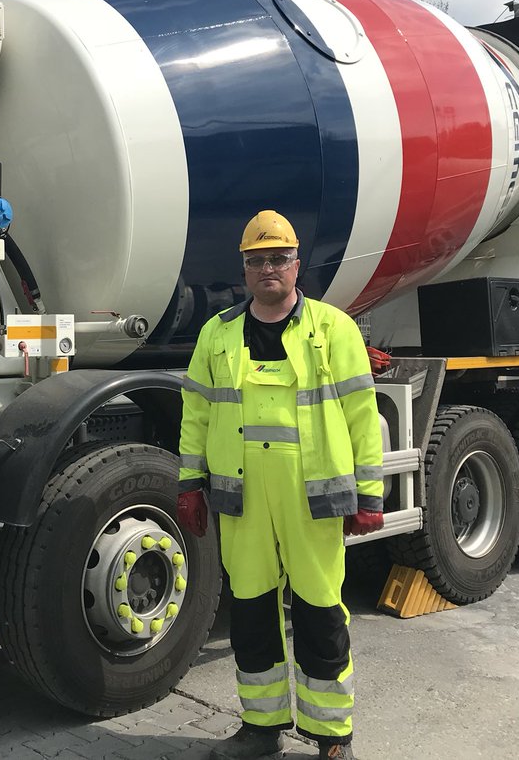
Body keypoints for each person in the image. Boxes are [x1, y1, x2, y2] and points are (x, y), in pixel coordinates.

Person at [178, 210, 385, 760]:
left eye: (277, 258)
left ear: (297, 265)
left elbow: (362, 415)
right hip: (241, 495)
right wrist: (190, 483)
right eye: (256, 260)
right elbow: (195, 412)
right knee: (249, 609)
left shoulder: (332, 329)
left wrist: (369, 493)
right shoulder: (217, 334)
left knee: (320, 608)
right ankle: (260, 728)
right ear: (244, 269)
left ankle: (331, 736)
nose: (267, 268)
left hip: (312, 493)